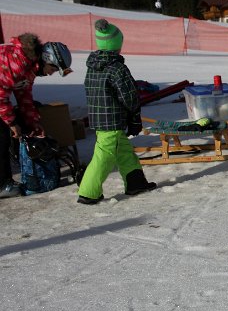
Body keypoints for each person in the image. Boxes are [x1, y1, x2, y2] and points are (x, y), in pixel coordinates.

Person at [77, 19, 156, 204]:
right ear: (116, 45)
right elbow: (129, 97)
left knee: (124, 151)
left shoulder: (92, 67)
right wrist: (135, 117)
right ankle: (88, 192)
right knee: (103, 155)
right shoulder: (117, 68)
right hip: (112, 120)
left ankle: (135, 182)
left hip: (100, 119)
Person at [1, 34, 72, 198]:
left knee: (17, 122)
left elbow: (24, 99)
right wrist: (11, 123)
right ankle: (2, 184)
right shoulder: (18, 63)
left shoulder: (29, 68)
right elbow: (0, 96)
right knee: (2, 134)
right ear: (46, 60)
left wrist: (36, 127)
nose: (52, 73)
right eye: (53, 69)